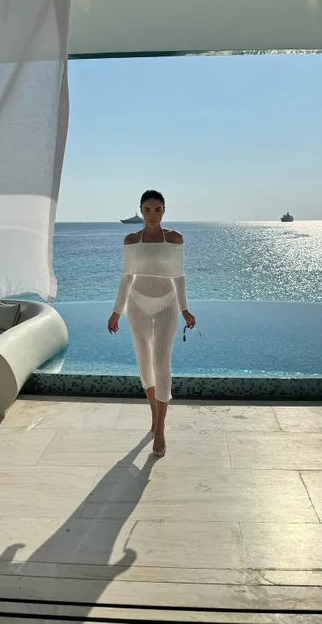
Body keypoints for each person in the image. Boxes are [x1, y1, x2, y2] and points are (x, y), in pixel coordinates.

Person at [107, 190, 196, 457]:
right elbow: (127, 277)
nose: (153, 215)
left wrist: (185, 309)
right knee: (145, 362)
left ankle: (160, 428)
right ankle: (155, 416)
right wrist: (116, 311)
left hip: (167, 303)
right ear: (141, 210)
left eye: (158, 210)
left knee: (161, 362)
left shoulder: (175, 238)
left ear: (164, 210)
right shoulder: (131, 240)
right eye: (147, 209)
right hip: (137, 306)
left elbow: (179, 277)